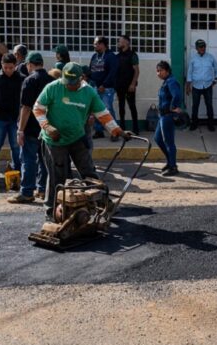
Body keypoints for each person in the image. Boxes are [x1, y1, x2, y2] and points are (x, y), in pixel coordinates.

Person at [33, 62, 129, 216]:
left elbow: (103, 114)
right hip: (54, 141)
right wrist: (47, 126)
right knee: (57, 176)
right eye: (67, 83)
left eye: (73, 83)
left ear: (82, 78)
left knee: (89, 172)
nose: (69, 86)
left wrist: (118, 131)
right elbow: (38, 108)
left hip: (76, 137)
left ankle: (104, 204)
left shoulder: (89, 92)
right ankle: (51, 210)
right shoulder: (52, 88)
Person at [8, 52, 54, 203]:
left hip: (31, 128)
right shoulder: (52, 81)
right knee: (44, 160)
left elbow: (26, 108)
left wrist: (20, 130)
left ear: (29, 65)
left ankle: (27, 192)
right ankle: (42, 190)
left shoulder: (29, 80)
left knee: (28, 160)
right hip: (46, 127)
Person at [154, 61, 183, 177]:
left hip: (168, 116)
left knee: (169, 142)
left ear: (167, 70)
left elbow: (177, 95)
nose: (158, 73)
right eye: (157, 71)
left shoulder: (171, 81)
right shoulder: (166, 81)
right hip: (162, 116)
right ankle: (170, 161)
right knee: (158, 139)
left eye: (160, 71)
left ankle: (173, 166)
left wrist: (174, 107)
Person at [88, 36, 119, 141]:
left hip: (107, 89)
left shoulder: (111, 56)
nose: (94, 45)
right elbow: (90, 71)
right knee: (96, 110)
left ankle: (115, 132)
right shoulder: (94, 56)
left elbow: (113, 72)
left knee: (108, 109)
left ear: (103, 45)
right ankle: (99, 130)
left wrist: (104, 85)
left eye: (96, 43)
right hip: (95, 87)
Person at [186, 39, 217, 132]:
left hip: (208, 86)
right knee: (195, 106)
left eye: (204, 46)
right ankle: (194, 123)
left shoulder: (210, 57)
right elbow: (189, 72)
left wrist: (216, 79)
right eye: (200, 46)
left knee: (209, 105)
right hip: (196, 86)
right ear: (196, 48)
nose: (203, 48)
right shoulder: (193, 59)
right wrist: (188, 86)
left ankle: (211, 124)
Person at [115, 35, 140, 133]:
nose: (118, 43)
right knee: (121, 107)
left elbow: (137, 71)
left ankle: (136, 128)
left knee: (132, 106)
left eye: (119, 41)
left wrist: (133, 84)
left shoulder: (133, 55)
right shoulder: (118, 56)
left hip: (129, 86)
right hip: (120, 86)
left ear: (126, 43)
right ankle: (122, 128)